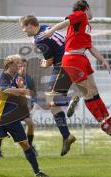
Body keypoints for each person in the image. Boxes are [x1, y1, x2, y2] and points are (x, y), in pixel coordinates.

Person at [40, 0, 111, 136]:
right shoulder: (80, 14)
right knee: (88, 93)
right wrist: (52, 30)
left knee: (93, 90)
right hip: (73, 59)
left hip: (82, 58)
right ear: (87, 8)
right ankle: (102, 124)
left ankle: (108, 119)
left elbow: (90, 46)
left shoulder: (86, 26)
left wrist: (102, 60)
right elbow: (66, 21)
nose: (92, 13)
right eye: (91, 10)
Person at [0, 54, 48, 177]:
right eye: (17, 63)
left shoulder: (18, 78)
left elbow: (21, 100)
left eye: (21, 63)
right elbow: (6, 91)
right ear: (9, 64)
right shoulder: (2, 76)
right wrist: (23, 90)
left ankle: (37, 172)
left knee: (25, 144)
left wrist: (22, 89)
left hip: (13, 118)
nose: (20, 65)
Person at [20, 15, 77, 156]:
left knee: (50, 100)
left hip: (62, 66)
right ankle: (66, 136)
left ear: (31, 25)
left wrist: (42, 63)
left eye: (24, 27)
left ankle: (72, 100)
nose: (23, 31)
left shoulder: (40, 39)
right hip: (73, 60)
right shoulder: (46, 27)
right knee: (53, 102)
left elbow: (49, 61)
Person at [0, 58, 38, 158]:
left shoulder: (29, 79)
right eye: (21, 66)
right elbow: (6, 91)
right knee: (2, 127)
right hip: (9, 107)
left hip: (22, 107)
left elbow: (33, 94)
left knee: (30, 123)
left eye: (25, 66)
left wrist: (31, 104)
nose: (23, 68)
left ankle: (29, 145)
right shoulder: (11, 76)